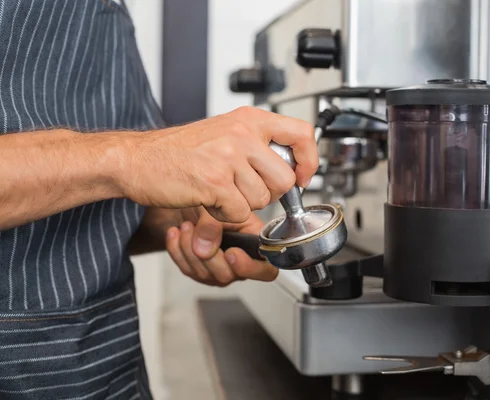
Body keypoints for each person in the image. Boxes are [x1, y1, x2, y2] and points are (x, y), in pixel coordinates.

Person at [0, 1, 318, 399]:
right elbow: (126, 163)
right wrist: (130, 157)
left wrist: (181, 220)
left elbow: (100, 206)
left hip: (107, 371)